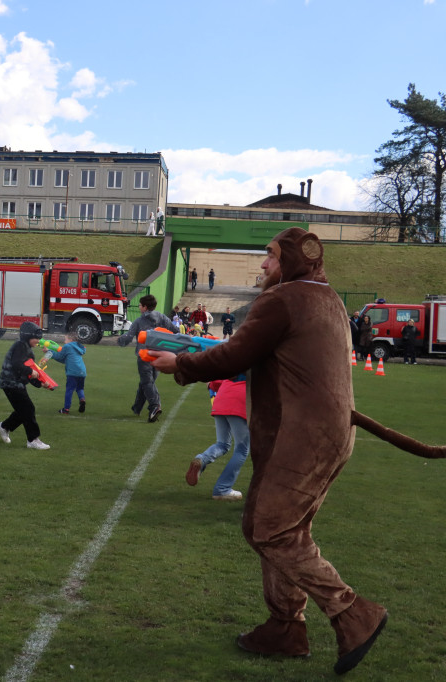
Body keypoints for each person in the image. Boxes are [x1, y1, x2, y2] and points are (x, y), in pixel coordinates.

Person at [149, 227, 390, 674]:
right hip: (328, 433)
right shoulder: (329, 298)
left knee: (268, 529)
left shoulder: (282, 299)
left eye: (270, 256)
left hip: (300, 436)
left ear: (291, 261)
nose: (263, 265)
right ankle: (284, 628)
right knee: (286, 531)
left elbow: (234, 355)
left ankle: (352, 612)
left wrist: (179, 364)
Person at [185, 378, 249, 501]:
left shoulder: (237, 363)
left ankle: (202, 459)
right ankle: (222, 489)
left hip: (220, 400)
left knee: (222, 444)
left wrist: (211, 384)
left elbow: (216, 383)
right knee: (242, 449)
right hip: (239, 402)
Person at [116, 294, 178, 423]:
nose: (139, 307)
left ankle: (155, 406)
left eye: (140, 305)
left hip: (144, 355)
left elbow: (128, 337)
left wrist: (120, 340)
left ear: (145, 307)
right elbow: (175, 330)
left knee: (147, 382)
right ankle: (137, 408)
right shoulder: (161, 317)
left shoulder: (139, 321)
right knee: (146, 382)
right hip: (160, 355)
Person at [0, 321, 50, 449]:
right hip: (10, 383)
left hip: (16, 383)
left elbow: (30, 373)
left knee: (24, 410)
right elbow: (16, 364)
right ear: (27, 336)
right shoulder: (20, 346)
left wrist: (41, 383)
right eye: (36, 338)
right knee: (28, 409)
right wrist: (31, 371)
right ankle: (33, 440)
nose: (38, 340)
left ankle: (4, 427)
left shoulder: (28, 350)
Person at [47, 332, 87, 415]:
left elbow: (59, 356)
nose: (64, 342)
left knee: (69, 390)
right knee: (79, 388)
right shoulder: (78, 347)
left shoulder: (68, 346)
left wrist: (49, 352)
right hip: (82, 371)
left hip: (73, 372)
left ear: (71, 340)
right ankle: (82, 399)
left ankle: (66, 409)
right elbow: (65, 360)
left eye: (65, 339)